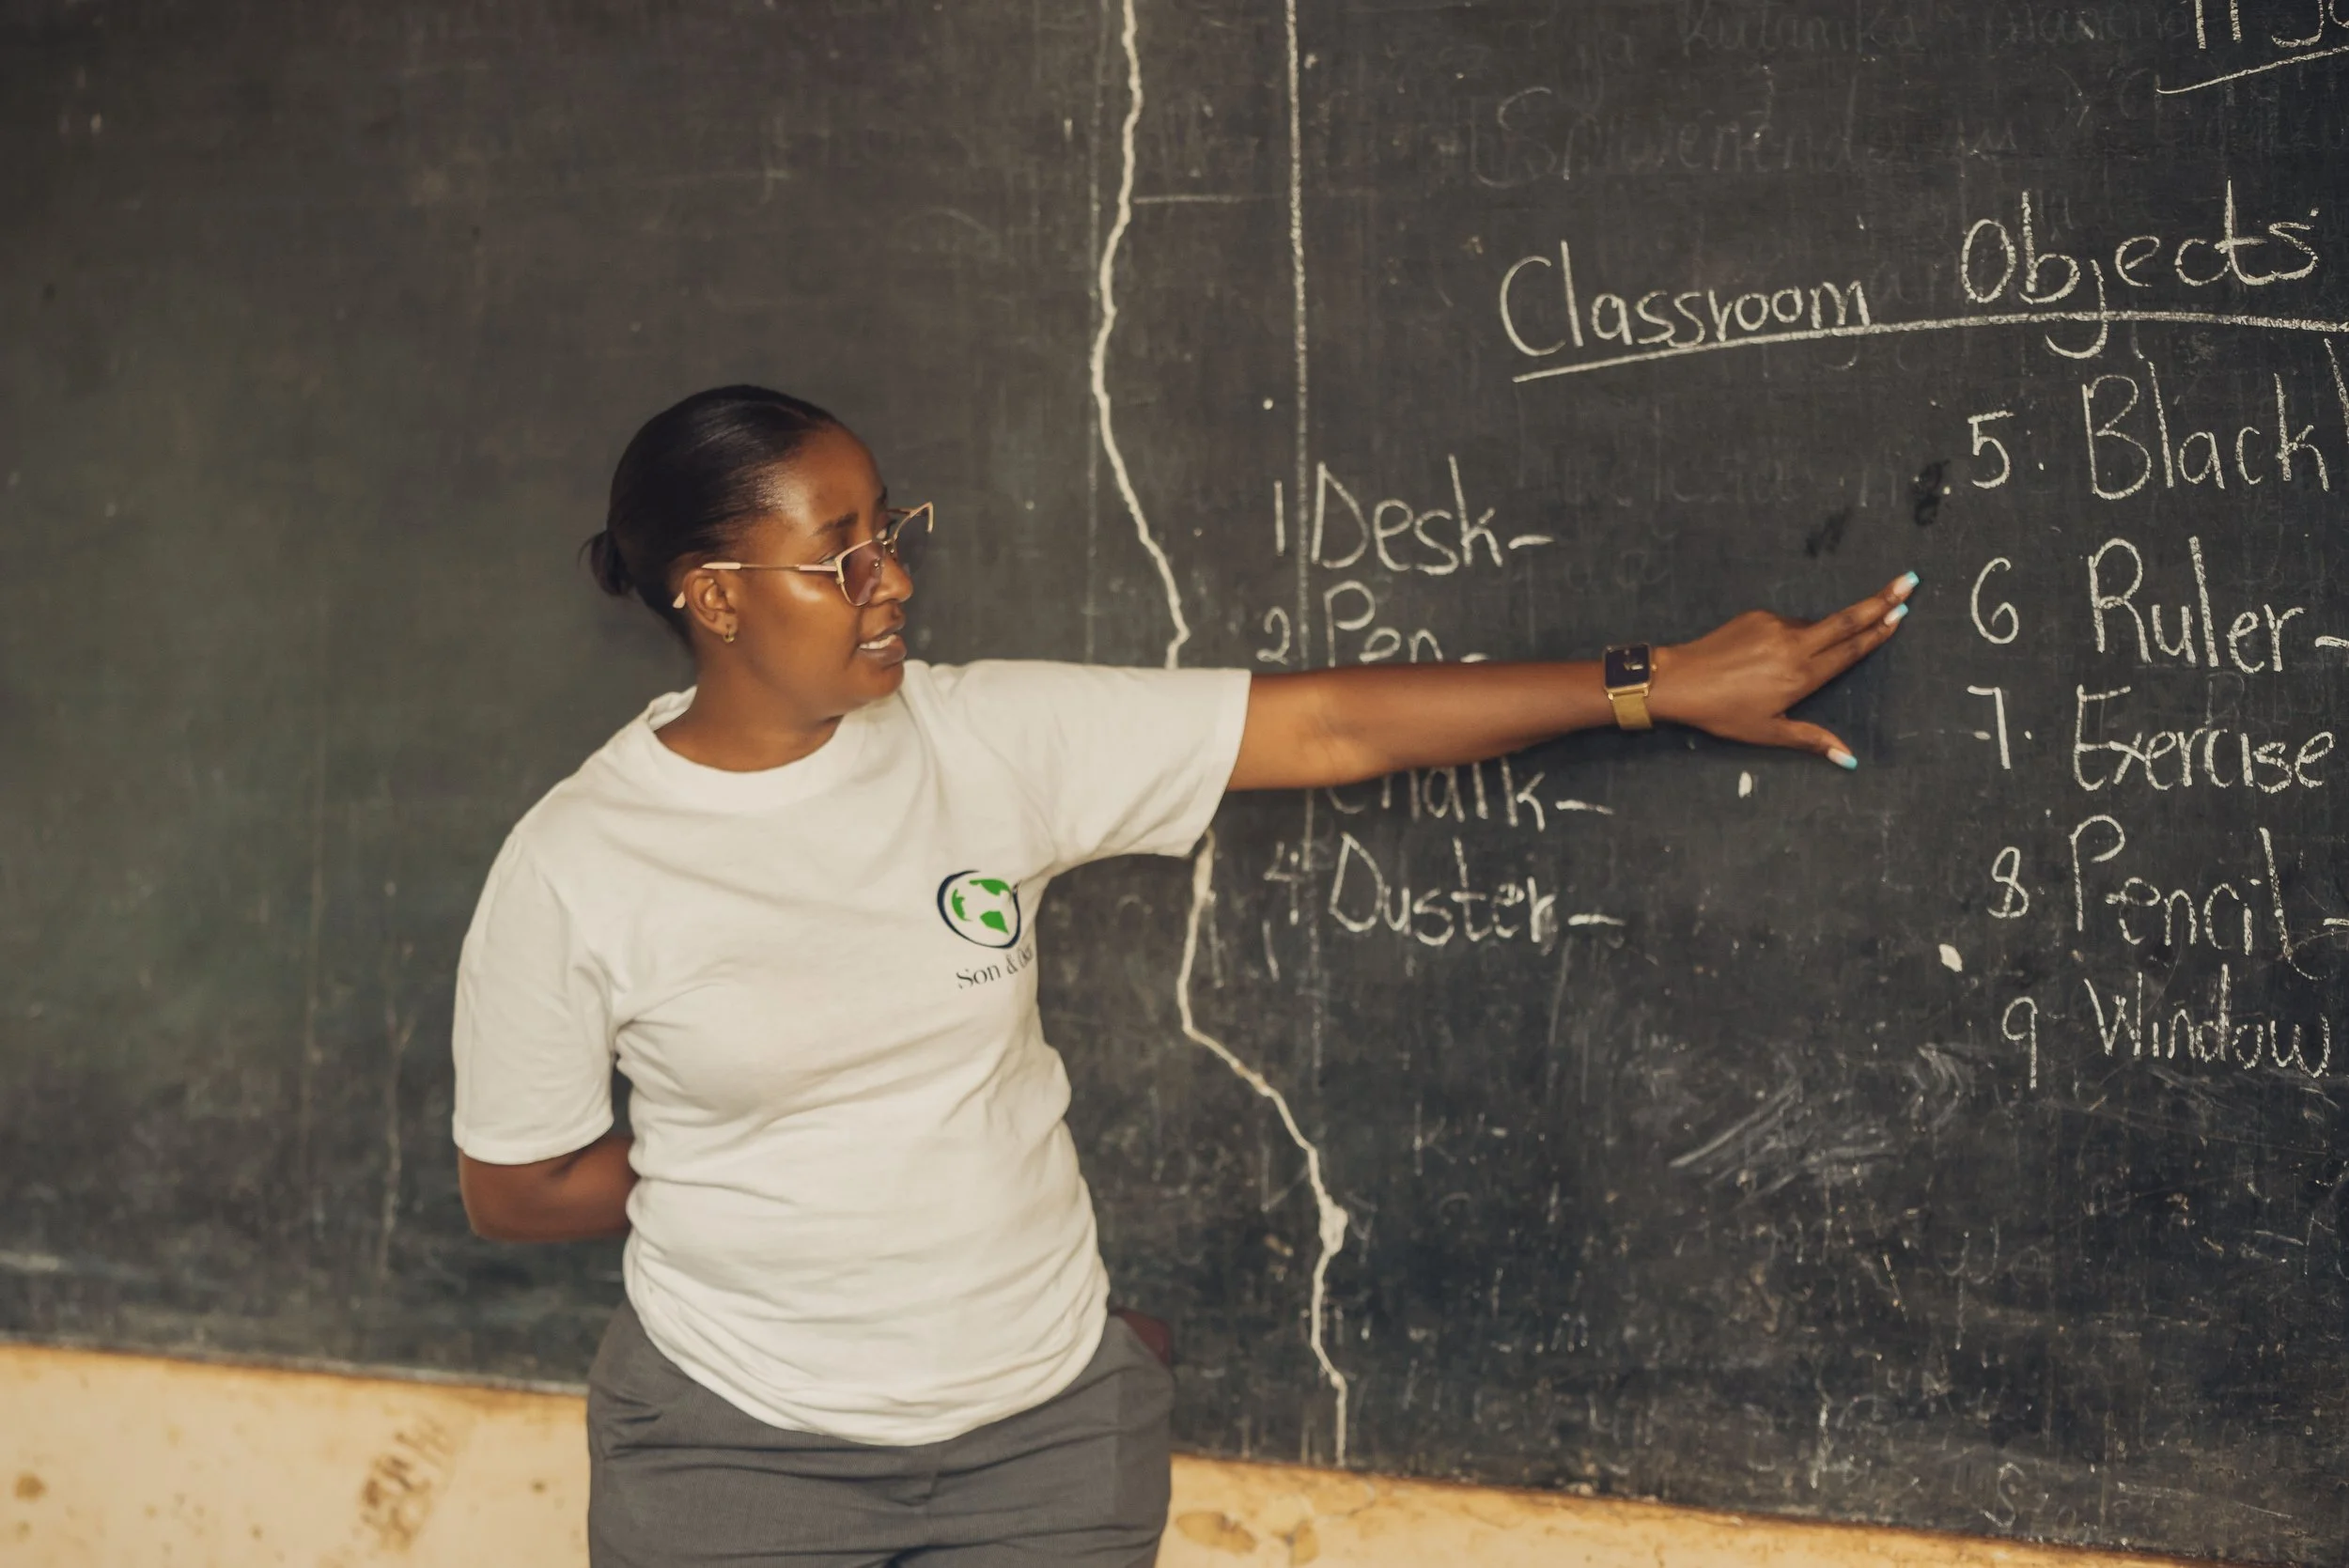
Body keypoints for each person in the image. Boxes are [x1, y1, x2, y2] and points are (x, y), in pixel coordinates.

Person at [451, 384, 1914, 1567]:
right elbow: (514, 1187)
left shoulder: (982, 744)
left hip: (1046, 1451)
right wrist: (763, 1168)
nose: (892, 579)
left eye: (892, 531)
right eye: (842, 555)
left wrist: (1651, 681)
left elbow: (1326, 727)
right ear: (713, 595)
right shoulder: (585, 860)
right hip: (733, 1456)